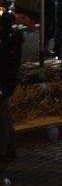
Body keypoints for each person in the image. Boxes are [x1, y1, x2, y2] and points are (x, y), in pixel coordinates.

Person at [0, 9, 23, 161]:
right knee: (5, 113)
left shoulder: (6, 42)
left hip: (3, 82)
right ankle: (9, 148)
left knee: (3, 115)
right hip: (8, 81)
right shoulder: (14, 40)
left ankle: (4, 150)